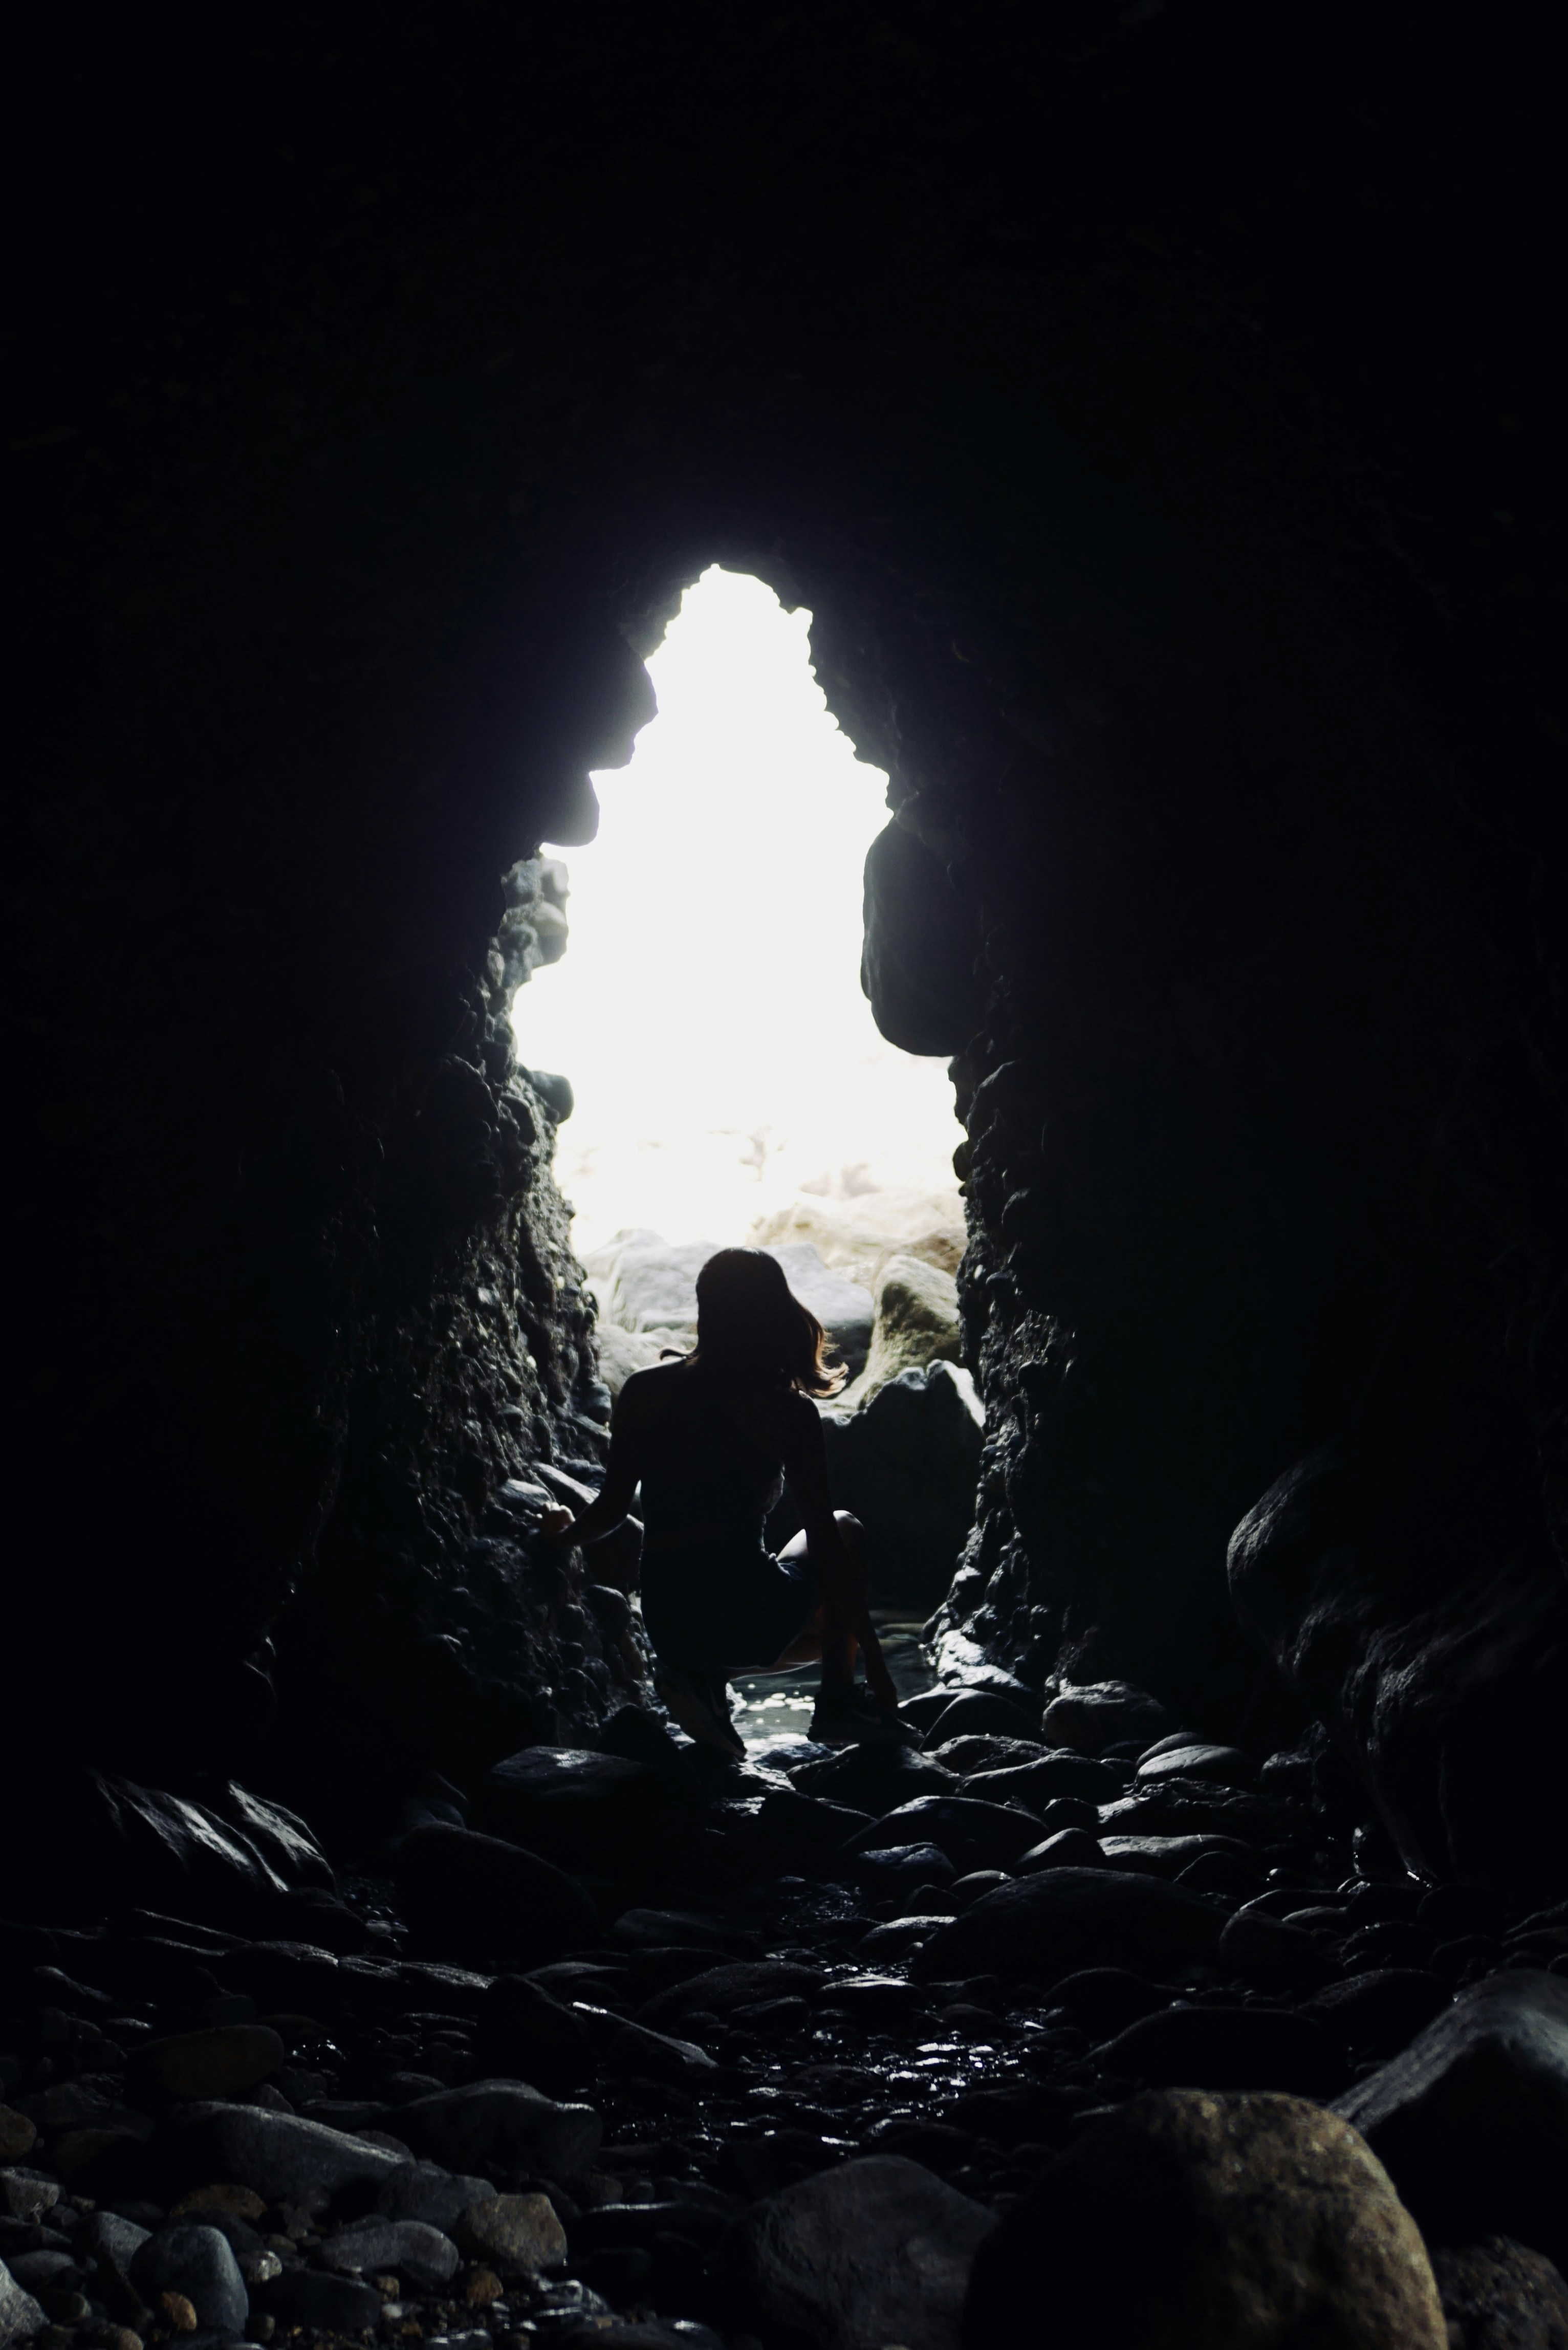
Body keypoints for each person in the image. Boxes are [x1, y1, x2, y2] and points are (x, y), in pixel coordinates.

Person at [540, 1246, 906, 1756]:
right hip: (744, 1617)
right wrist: (877, 1661)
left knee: (812, 1617)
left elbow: (610, 1508)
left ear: (705, 1308)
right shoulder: (787, 1414)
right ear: (774, 1311)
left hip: (670, 1625)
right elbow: (825, 1544)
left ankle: (703, 1681)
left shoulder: (646, 1390)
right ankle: (839, 1701)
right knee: (846, 1530)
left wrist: (561, 1534)